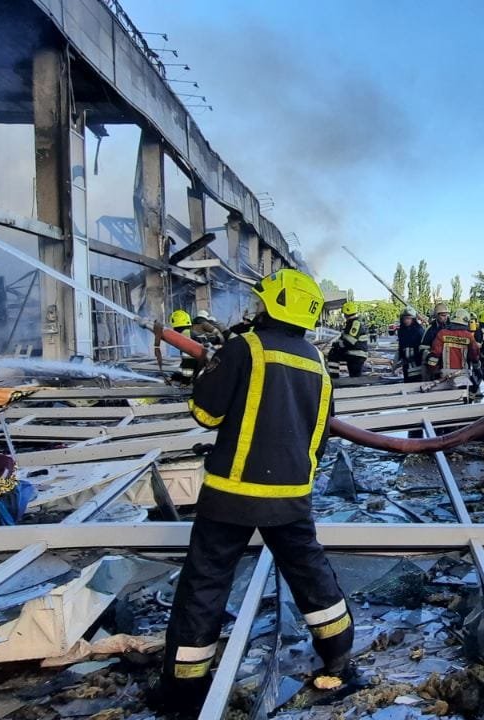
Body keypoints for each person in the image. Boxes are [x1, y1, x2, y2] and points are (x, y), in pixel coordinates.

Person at [159, 269, 353, 711]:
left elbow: (206, 415)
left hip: (231, 494)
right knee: (312, 574)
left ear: (272, 306)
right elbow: (321, 434)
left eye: (261, 301)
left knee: (206, 582)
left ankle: (183, 687)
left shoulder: (244, 347)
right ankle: (338, 657)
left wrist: (205, 370)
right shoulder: (317, 362)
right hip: (292, 494)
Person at [427, 308, 480, 381]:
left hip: (445, 374)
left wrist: (431, 370)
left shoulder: (442, 333)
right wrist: (477, 368)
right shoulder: (469, 336)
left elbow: (435, 354)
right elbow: (474, 354)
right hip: (463, 374)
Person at [155, 309, 199, 383]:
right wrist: (174, 377)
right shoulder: (190, 333)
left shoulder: (185, 336)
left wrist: (185, 382)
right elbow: (184, 363)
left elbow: (188, 362)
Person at [333, 301, 369, 378]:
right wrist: (337, 344)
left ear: (346, 313)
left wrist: (338, 345)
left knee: (355, 377)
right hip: (352, 353)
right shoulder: (350, 323)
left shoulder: (355, 324)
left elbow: (350, 341)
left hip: (356, 354)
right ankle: (334, 376)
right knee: (333, 354)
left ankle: (334, 377)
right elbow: (344, 338)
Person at [419, 302, 451, 381]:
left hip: (448, 364)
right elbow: (422, 348)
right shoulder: (430, 330)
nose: (445, 317)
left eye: (446, 315)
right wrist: (430, 356)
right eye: (443, 315)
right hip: (434, 365)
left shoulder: (451, 327)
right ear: (437, 315)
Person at [394, 308, 424, 383]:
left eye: (408, 318)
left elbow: (422, 348)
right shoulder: (401, 331)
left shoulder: (419, 331)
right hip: (406, 364)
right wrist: (398, 360)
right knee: (407, 381)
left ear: (413, 319)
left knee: (416, 382)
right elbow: (401, 346)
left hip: (417, 363)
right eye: (404, 318)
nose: (406, 321)